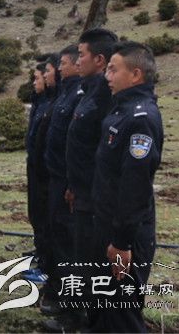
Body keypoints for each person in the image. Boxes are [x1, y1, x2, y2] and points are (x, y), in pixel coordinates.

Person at [92, 42, 163, 333]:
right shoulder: (121, 109)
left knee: (122, 315)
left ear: (135, 75)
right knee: (103, 308)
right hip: (107, 224)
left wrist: (122, 243)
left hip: (126, 235)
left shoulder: (140, 119)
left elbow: (135, 186)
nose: (106, 76)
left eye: (113, 69)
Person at [65, 28, 118, 327]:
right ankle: (83, 317)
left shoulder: (106, 96)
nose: (78, 60)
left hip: (96, 197)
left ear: (99, 60)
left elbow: (103, 152)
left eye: (81, 54)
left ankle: (91, 321)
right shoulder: (89, 91)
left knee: (94, 265)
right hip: (82, 192)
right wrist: (73, 185)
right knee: (83, 259)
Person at [41, 45, 82, 329]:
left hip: (68, 184)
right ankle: (63, 300)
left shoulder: (80, 95)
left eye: (63, 64)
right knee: (60, 241)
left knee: (70, 248)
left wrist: (71, 183)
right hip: (56, 178)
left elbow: (78, 146)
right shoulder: (66, 94)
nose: (59, 69)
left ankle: (73, 311)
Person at [23, 62, 50, 284]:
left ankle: (46, 263)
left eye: (38, 77)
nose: (35, 82)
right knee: (36, 213)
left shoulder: (52, 103)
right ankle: (41, 251)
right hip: (35, 164)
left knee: (45, 216)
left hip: (45, 169)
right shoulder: (40, 101)